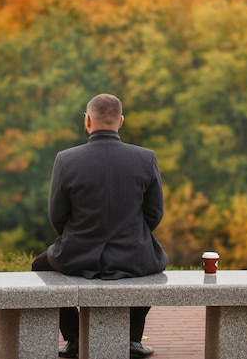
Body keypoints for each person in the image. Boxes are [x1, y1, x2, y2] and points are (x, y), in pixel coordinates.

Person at [32, 93, 168, 358]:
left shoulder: (66, 159)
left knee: (40, 266)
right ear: (121, 122)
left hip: (78, 253)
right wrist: (133, 235)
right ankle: (131, 339)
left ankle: (74, 338)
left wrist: (77, 236)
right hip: (133, 254)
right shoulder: (145, 158)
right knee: (156, 263)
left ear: (88, 121)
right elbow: (155, 213)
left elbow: (57, 215)